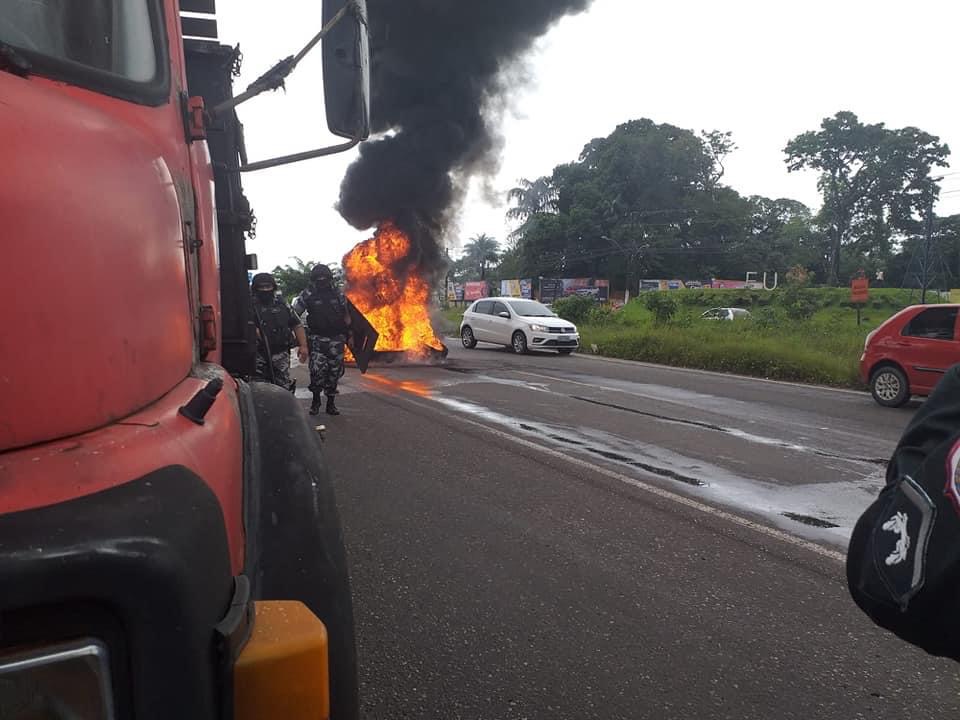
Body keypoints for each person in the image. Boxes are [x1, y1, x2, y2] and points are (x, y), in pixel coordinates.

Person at [294, 264, 352, 415]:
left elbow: (347, 315)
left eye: (324, 278)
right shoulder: (307, 294)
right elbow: (294, 316)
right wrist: (299, 340)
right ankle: (315, 402)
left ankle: (331, 404)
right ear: (314, 280)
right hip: (317, 339)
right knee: (316, 372)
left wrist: (349, 335)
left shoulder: (338, 294)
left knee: (334, 373)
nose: (322, 281)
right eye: (318, 279)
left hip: (337, 339)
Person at [251, 272, 308, 390]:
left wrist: (303, 346)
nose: (265, 290)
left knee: (283, 389)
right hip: (259, 355)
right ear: (255, 289)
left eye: (268, 287)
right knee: (260, 390)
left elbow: (297, 325)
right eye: (261, 287)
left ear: (273, 287)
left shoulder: (282, 304)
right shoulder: (249, 305)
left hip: (281, 354)